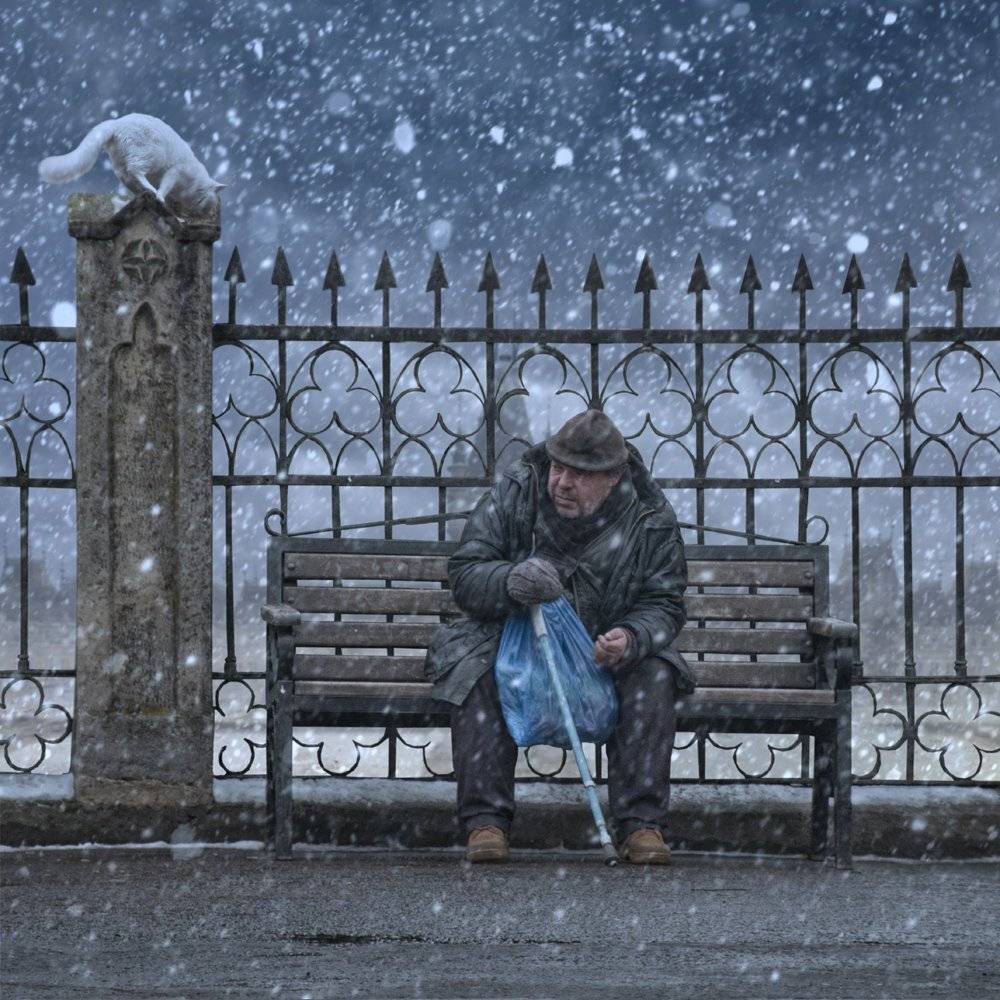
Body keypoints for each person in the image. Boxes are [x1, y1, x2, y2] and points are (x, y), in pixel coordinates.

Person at [425, 409, 692, 864]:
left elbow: (665, 601)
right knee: (474, 668)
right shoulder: (517, 489)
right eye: (559, 467)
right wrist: (510, 581)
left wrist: (631, 636)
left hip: (601, 648)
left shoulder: (649, 516)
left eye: (581, 475)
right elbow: (467, 572)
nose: (563, 483)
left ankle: (641, 825)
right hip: (510, 636)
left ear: (614, 477)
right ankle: (485, 823)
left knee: (655, 673)